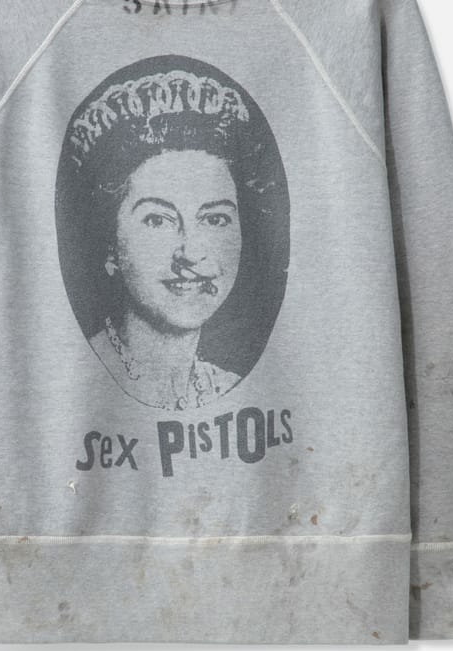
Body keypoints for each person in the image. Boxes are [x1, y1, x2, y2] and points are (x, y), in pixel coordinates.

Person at [55, 57, 289, 411]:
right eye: (157, 220)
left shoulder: (227, 386)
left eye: (215, 219)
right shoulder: (74, 381)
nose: (191, 253)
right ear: (109, 244)